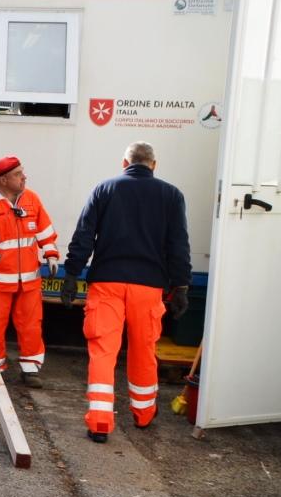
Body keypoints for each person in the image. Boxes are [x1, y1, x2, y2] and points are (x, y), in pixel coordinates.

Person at [62, 141, 191, 444]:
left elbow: (84, 235)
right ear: (153, 165)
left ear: (124, 163)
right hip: (148, 287)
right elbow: (178, 244)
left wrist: (71, 274)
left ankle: (99, 423)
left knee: (103, 351)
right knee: (144, 350)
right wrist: (181, 285)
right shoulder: (171, 195)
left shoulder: (104, 189)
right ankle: (143, 414)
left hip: (107, 282)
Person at [0, 156, 61, 388]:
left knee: (31, 325)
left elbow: (45, 232)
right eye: (18, 174)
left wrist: (52, 255)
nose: (24, 177)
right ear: (3, 180)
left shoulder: (32, 200)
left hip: (29, 281)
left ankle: (30, 369)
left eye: (22, 172)